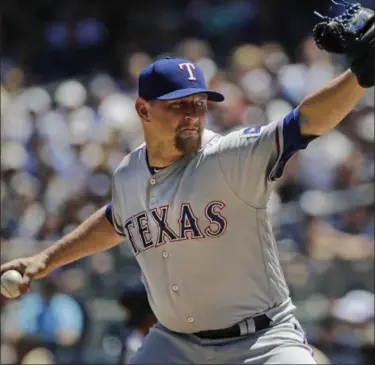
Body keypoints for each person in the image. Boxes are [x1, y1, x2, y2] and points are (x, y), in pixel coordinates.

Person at [1, 55, 371, 364]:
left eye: (199, 103)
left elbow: (304, 121)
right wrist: (45, 259)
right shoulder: (129, 174)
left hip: (262, 343)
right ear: (143, 109)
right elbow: (117, 220)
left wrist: (360, 74)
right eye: (178, 105)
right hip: (175, 346)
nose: (192, 114)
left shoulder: (229, 156)